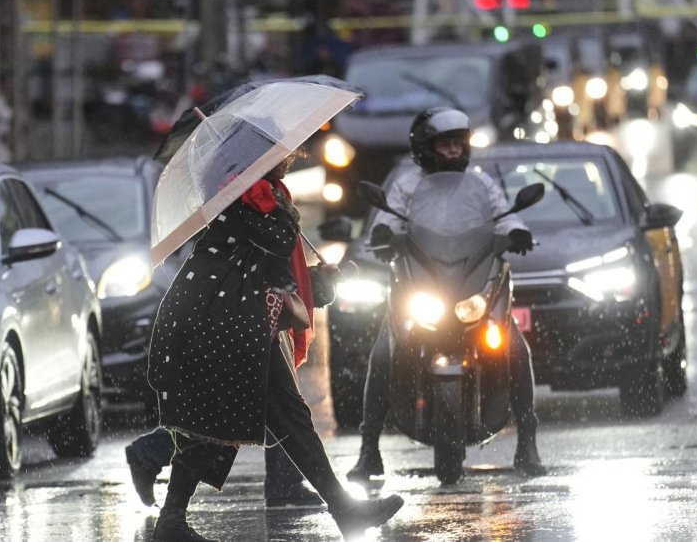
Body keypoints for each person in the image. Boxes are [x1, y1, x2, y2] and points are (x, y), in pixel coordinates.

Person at [145, 152, 405, 541]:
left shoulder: (259, 195)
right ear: (257, 159)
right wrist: (277, 206)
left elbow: (274, 270)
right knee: (219, 424)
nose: (289, 159)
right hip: (213, 322)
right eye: (279, 154)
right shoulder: (239, 197)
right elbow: (279, 241)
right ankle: (171, 518)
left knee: (275, 418)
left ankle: (172, 519)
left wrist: (318, 279)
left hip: (239, 324)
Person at [347, 107, 546, 482]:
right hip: (423, 279)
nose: (454, 150)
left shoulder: (480, 184)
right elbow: (390, 215)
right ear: (425, 148)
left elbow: (502, 214)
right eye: (445, 144)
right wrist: (383, 233)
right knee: (384, 352)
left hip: (471, 278)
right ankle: (368, 449)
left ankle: (528, 442)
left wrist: (516, 230)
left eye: (458, 143)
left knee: (515, 349)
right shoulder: (407, 185)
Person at [125, 222, 338, 509]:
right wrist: (307, 278)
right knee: (231, 414)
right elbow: (260, 264)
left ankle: (165, 486)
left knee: (243, 411)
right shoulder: (249, 207)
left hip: (253, 319)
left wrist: (314, 280)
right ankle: (160, 470)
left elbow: (272, 264)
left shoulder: (265, 205)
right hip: (244, 320)